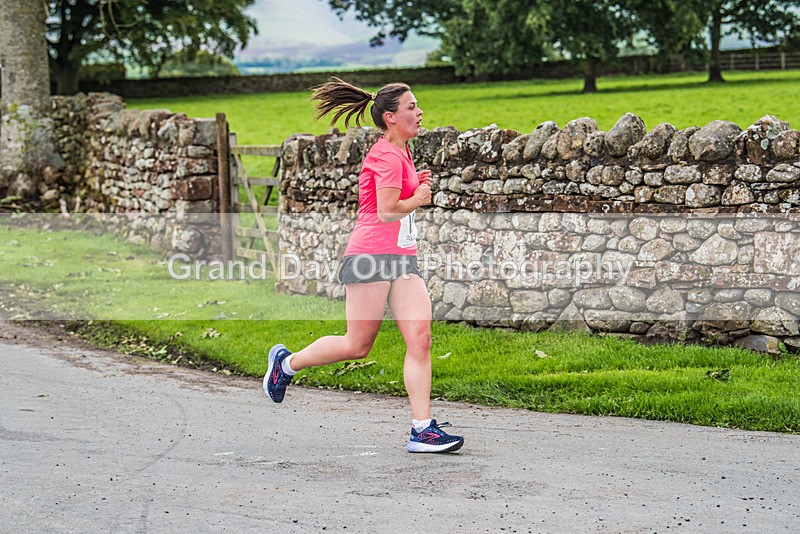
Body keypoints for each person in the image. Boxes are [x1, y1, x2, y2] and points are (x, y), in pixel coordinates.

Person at [263, 77, 463, 454]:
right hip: (370, 256)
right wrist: (418, 197)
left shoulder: (401, 151)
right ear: (391, 117)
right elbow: (386, 211)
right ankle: (286, 364)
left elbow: (391, 197)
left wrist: (414, 186)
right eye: (411, 107)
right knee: (357, 346)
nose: (420, 112)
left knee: (420, 338)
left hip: (402, 258)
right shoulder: (386, 155)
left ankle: (422, 429)